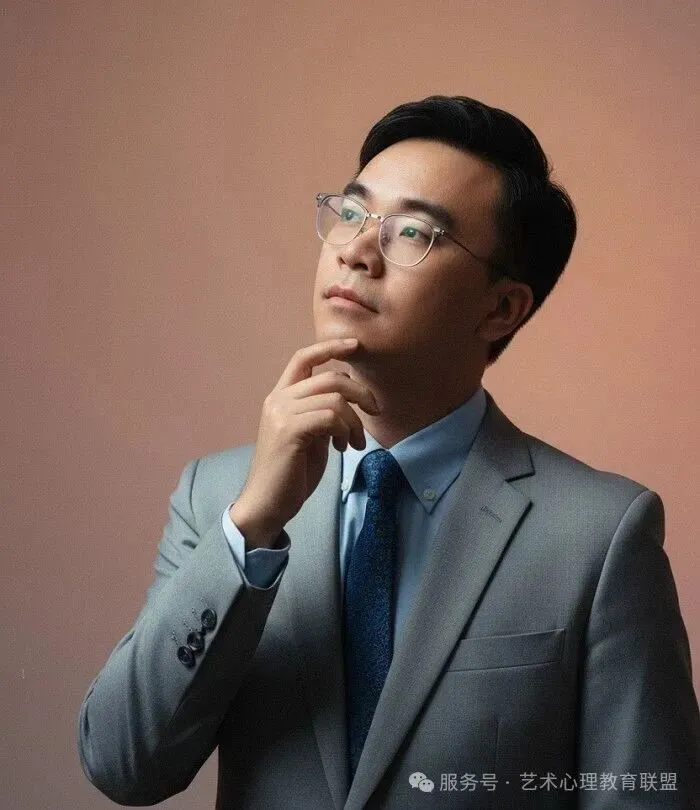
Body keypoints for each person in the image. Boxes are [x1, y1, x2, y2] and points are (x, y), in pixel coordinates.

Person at [77, 95, 700, 809]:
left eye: (412, 232)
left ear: (501, 307)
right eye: (351, 212)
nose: (355, 250)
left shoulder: (599, 533)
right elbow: (122, 764)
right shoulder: (217, 497)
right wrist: (251, 528)